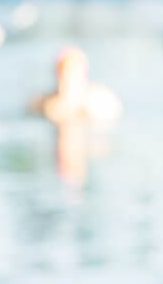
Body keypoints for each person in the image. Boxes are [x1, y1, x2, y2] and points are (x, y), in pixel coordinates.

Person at [30, 45, 122, 188]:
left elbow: (114, 110)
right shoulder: (46, 103)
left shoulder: (97, 101)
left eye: (70, 73)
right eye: (62, 73)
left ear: (82, 74)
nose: (65, 79)